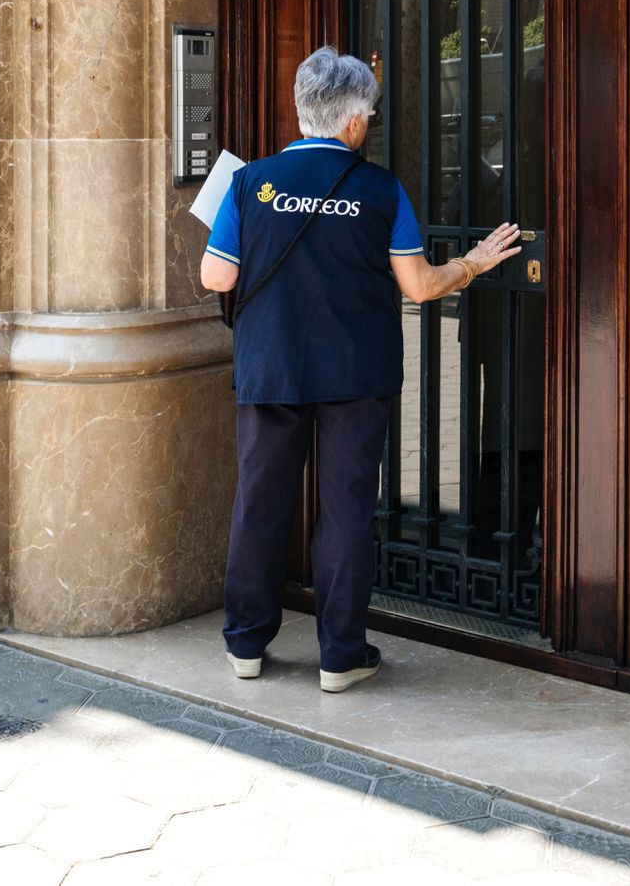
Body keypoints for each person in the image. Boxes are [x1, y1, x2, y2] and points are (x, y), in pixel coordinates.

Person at [200, 47, 521, 693]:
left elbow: (217, 276)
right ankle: (340, 656)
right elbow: (423, 287)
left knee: (260, 502)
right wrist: (478, 262)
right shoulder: (380, 189)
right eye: (369, 114)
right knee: (345, 508)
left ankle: (246, 646)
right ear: (354, 123)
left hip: (272, 367)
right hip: (356, 371)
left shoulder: (248, 182)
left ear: (302, 111)